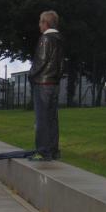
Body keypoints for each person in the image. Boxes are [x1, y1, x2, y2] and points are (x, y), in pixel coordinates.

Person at [28, 10, 64, 161]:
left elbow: (40, 62)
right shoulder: (60, 39)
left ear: (46, 23)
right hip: (54, 83)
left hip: (43, 83)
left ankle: (43, 151)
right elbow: (61, 64)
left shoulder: (45, 39)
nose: (39, 25)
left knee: (42, 118)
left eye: (40, 22)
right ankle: (53, 150)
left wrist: (31, 75)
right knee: (52, 118)